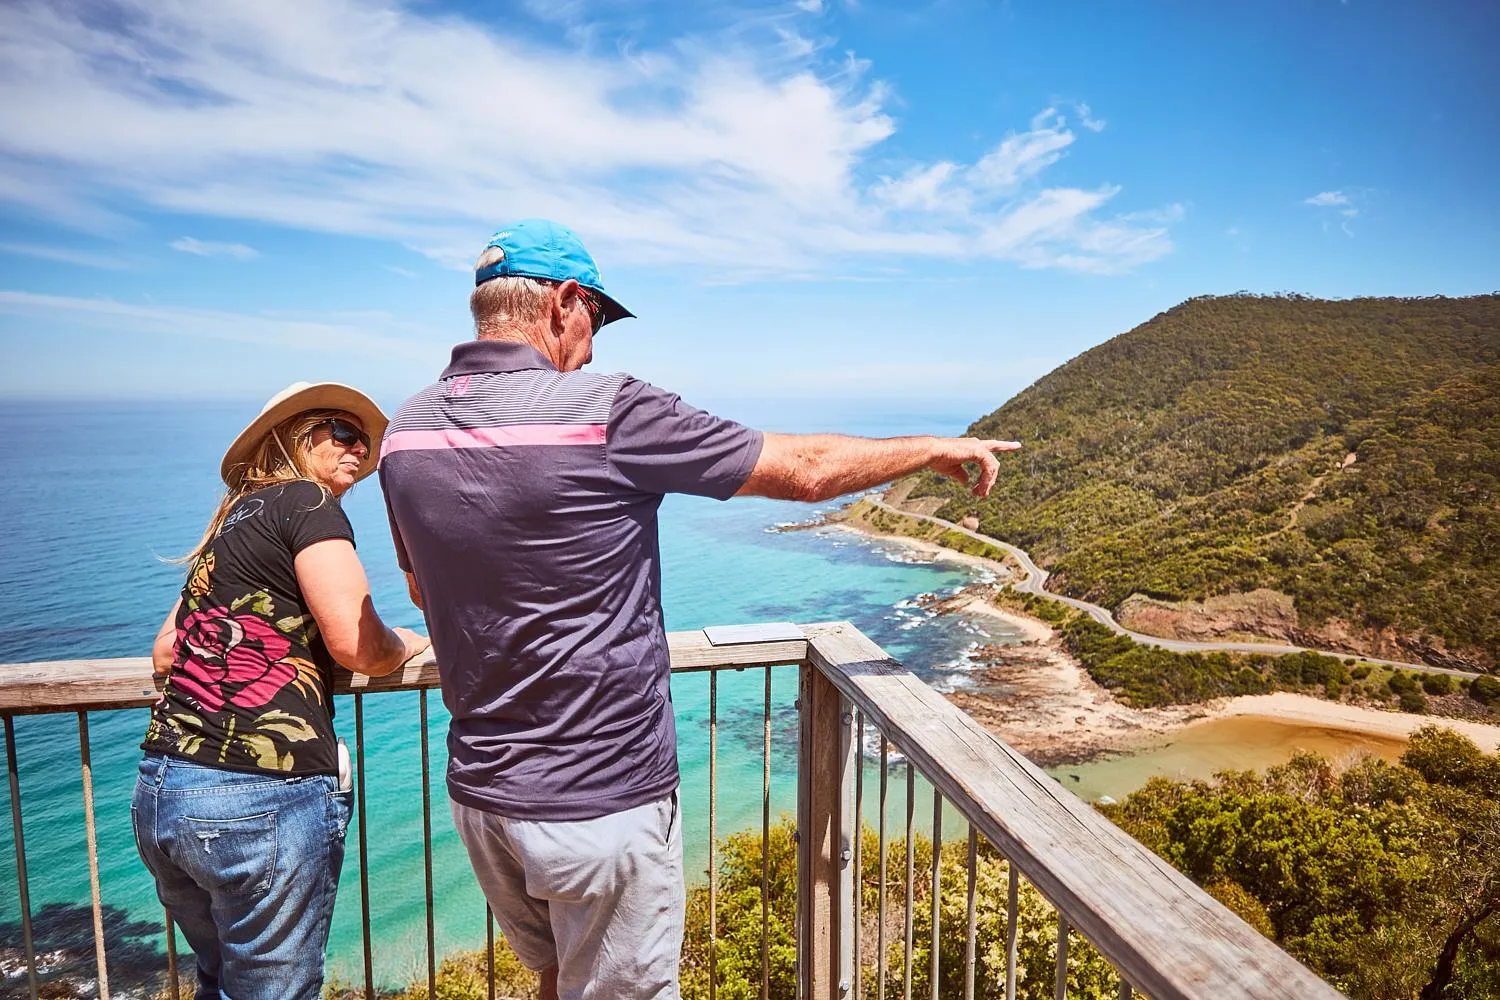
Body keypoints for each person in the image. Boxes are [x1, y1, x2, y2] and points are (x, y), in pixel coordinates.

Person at [379, 219, 1020, 1000]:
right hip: (600, 798)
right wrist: (934, 448)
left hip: (485, 796)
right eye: (597, 319)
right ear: (564, 301)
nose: (594, 345)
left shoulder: (405, 432)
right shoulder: (609, 408)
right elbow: (806, 471)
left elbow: (423, 590)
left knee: (555, 979)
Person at [133, 382, 430, 1000]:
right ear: (297, 436)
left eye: (365, 441)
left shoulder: (233, 520)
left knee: (219, 980)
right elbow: (357, 644)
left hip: (165, 789)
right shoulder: (308, 503)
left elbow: (166, 650)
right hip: (260, 793)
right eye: (343, 432)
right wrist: (406, 642)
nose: (360, 449)